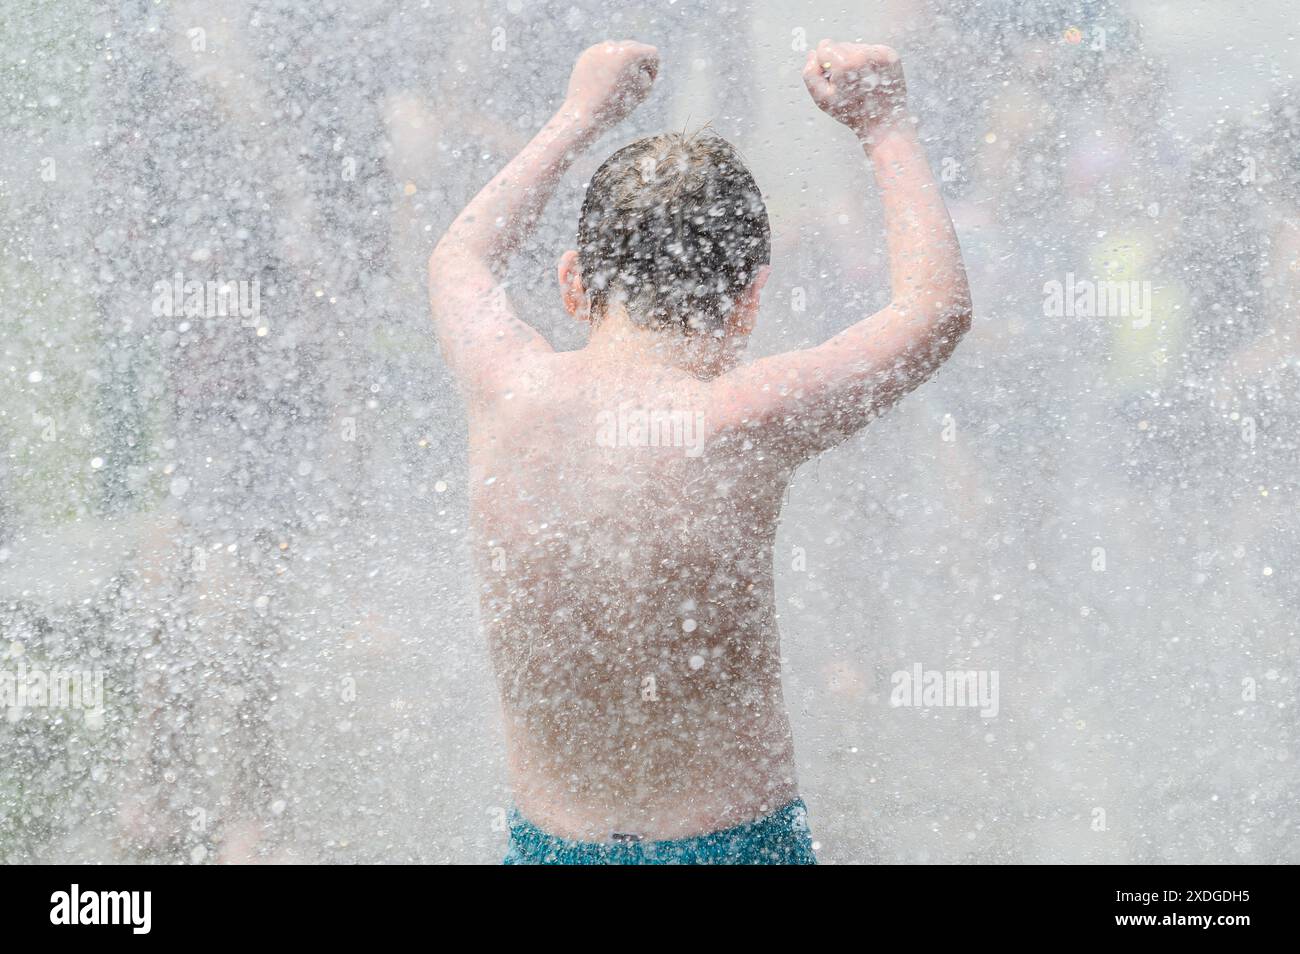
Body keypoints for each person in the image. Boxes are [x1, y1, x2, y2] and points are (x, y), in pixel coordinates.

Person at [428, 38, 971, 864]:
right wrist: (885, 123)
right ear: (750, 300)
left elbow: (460, 257)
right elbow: (934, 312)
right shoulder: (742, 418)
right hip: (733, 848)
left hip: (550, 849)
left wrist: (578, 116)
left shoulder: (509, 393)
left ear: (574, 283)